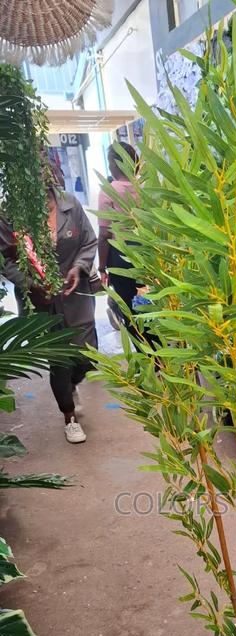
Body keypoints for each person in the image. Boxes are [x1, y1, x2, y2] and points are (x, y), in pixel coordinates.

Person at [0, 179, 99, 444]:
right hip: (41, 299)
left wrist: (78, 267)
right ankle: (69, 417)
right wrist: (31, 284)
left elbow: (89, 242)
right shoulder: (10, 213)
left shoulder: (70, 204)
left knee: (87, 356)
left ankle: (72, 384)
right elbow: (6, 260)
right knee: (59, 359)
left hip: (76, 294)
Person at [97, 142, 139, 330]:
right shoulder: (145, 187)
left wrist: (101, 268)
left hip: (120, 257)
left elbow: (104, 234)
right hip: (147, 254)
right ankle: (158, 352)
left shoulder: (109, 190)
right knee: (148, 303)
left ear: (114, 164)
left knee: (129, 308)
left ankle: (142, 350)